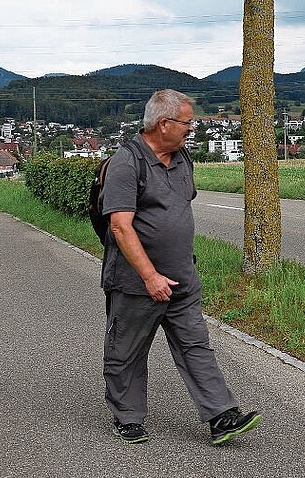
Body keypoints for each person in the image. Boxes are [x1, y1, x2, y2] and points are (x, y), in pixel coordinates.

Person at [101, 89, 261, 445]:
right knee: (127, 349)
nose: (193, 129)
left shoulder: (183, 157)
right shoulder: (127, 163)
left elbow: (178, 208)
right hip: (136, 282)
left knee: (195, 344)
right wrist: (150, 275)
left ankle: (221, 415)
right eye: (187, 122)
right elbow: (120, 226)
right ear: (163, 123)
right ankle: (127, 417)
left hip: (183, 277)